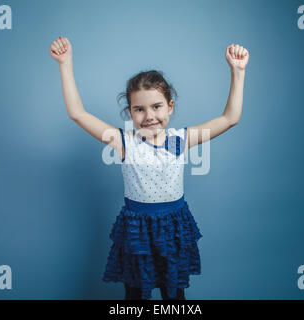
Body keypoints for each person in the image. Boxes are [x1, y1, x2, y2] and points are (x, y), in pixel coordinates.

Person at [49, 36, 249, 300]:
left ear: (170, 107)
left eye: (156, 107)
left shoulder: (181, 139)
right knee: (134, 295)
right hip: (137, 229)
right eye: (139, 109)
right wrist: (65, 63)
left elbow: (230, 118)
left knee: (173, 295)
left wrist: (238, 71)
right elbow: (77, 113)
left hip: (173, 228)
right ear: (130, 113)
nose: (149, 116)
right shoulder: (124, 142)